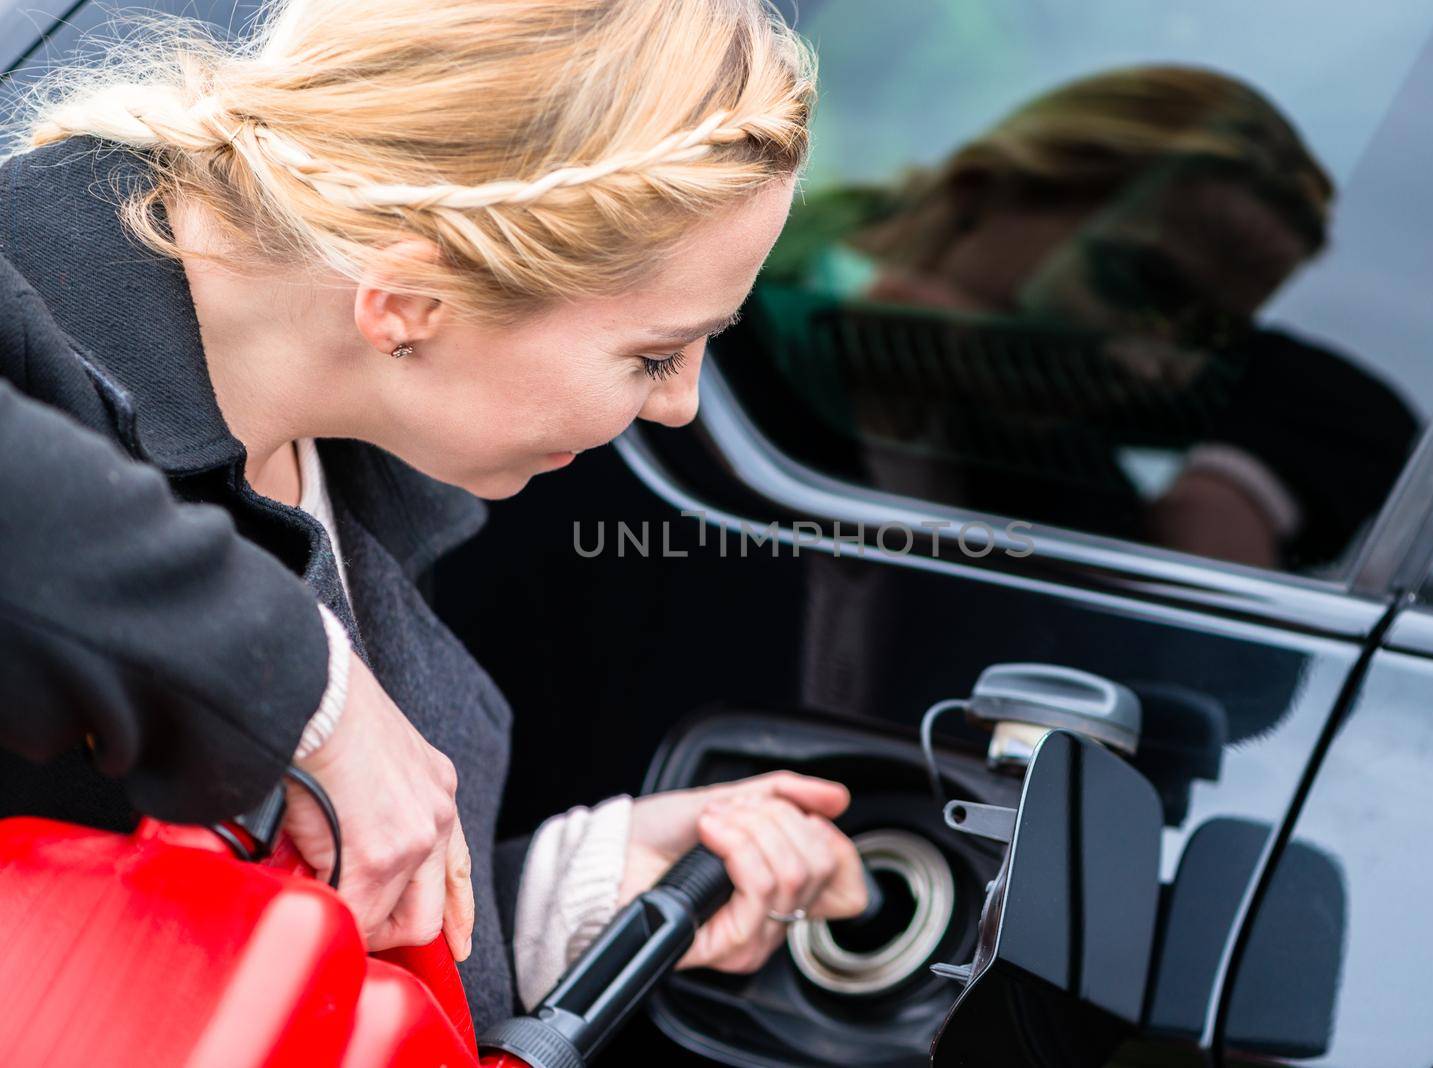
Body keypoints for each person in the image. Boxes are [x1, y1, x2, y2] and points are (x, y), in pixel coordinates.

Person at [0, 0, 867, 1022]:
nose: (678, 405)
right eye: (653, 354)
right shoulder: (32, 354)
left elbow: (224, 932)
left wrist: (564, 895)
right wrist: (297, 682)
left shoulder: (353, 456)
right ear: (407, 301)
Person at [753, 65, 1419, 571]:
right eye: (1136, 282)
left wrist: (1229, 494)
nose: (1152, 367)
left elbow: (1354, 411)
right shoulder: (716, 354)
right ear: (977, 199)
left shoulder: (1063, 480)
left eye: (1207, 336)